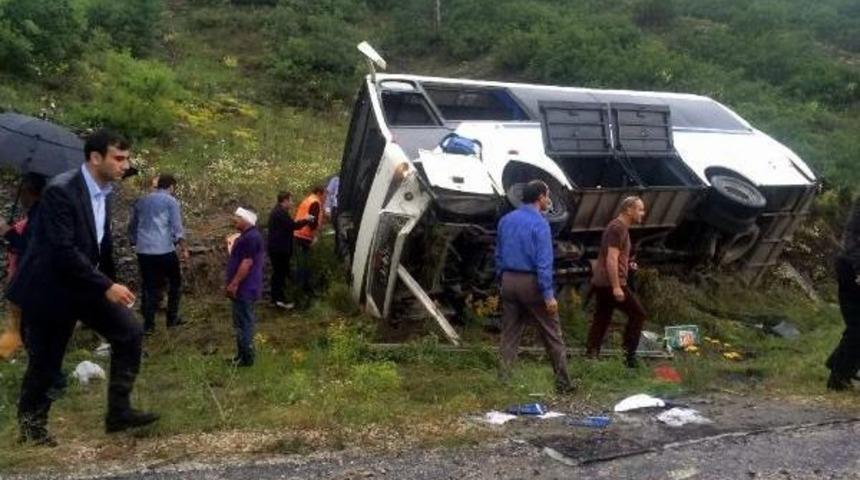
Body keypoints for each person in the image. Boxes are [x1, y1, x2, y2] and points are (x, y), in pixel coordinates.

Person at [7, 129, 158, 446]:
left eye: (127, 158)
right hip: (49, 287)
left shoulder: (105, 192)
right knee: (46, 363)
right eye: (119, 158)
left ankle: (118, 411)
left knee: (129, 331)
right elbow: (61, 250)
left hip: (82, 283)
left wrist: (113, 282)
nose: (125, 165)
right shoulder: (61, 191)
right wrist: (106, 284)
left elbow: (100, 246)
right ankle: (32, 429)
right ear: (95, 158)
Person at [496, 180, 574, 394]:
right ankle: (564, 383)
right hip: (531, 284)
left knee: (510, 334)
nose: (548, 199)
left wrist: (501, 279)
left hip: (508, 281)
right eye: (547, 195)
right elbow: (543, 262)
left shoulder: (506, 220)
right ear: (540, 197)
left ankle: (504, 380)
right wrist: (548, 295)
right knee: (552, 334)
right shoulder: (540, 223)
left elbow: (498, 255)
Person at [586, 196, 647, 368]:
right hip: (610, 282)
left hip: (603, 281)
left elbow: (616, 256)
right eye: (640, 209)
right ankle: (628, 357)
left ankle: (591, 355)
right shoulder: (617, 228)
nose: (642, 213)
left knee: (602, 317)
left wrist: (628, 264)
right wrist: (616, 287)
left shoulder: (620, 228)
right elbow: (611, 259)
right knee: (638, 314)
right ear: (629, 210)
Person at [128, 173, 189, 334]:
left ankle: (149, 326)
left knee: (149, 286)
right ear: (171, 186)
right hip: (164, 250)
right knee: (175, 283)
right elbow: (177, 227)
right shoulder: (171, 201)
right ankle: (172, 319)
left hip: (144, 251)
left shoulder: (142, 201)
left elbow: (132, 226)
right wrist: (183, 248)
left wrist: (134, 242)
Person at [0, 173, 47, 360]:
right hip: (29, 275)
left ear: (28, 191)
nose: (19, 197)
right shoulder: (39, 212)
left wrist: (8, 232)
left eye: (22, 192)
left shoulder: (38, 215)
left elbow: (28, 246)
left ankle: (11, 350)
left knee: (22, 318)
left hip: (29, 276)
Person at [826, 200, 860, 391]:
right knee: (858, 326)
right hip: (851, 269)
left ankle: (839, 368)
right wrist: (859, 268)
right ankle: (838, 376)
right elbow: (851, 238)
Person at [226, 207, 265, 367]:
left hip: (245, 287)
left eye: (238, 217)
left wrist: (234, 283)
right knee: (240, 323)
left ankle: (247, 358)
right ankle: (241, 355)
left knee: (245, 323)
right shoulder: (246, 236)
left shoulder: (251, 237)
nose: (234, 219)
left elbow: (247, 263)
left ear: (246, 219)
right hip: (242, 287)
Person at [267, 191, 311, 310]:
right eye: (290, 200)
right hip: (279, 249)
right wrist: (306, 220)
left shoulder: (279, 212)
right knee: (279, 274)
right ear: (285, 200)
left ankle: (278, 298)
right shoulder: (280, 213)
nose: (292, 203)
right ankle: (278, 300)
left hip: (278, 248)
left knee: (280, 273)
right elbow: (292, 226)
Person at [293, 185, 325, 307]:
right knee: (303, 265)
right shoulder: (315, 202)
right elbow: (312, 219)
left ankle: (305, 290)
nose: (325, 198)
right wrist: (314, 235)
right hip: (304, 236)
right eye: (324, 195)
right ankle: (300, 295)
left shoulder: (307, 200)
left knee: (303, 264)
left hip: (298, 233)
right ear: (320, 193)